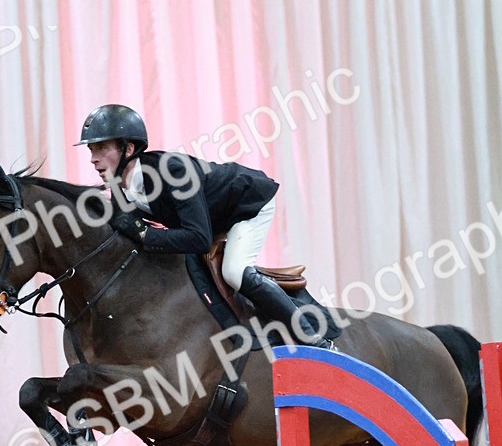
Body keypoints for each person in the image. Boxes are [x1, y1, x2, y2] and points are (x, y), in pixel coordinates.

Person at [75, 103, 337, 345]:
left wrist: (145, 234)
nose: (93, 159)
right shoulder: (118, 185)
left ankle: (313, 339)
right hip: (212, 215)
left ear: (128, 149)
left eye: (101, 148)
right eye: (91, 150)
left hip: (246, 204)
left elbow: (197, 238)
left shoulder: (174, 171)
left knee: (234, 272)